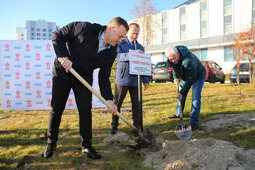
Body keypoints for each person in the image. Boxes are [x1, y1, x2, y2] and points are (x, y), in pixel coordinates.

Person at [43, 17, 129, 159]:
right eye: (120, 36)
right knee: (56, 109)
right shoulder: (84, 28)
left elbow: (104, 77)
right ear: (111, 28)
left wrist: (109, 100)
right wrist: (63, 56)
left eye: (123, 38)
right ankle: (51, 143)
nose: (120, 40)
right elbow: (57, 35)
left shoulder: (111, 52)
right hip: (63, 73)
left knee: (85, 112)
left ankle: (87, 146)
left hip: (83, 78)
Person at [109, 23, 149, 135]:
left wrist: (145, 80)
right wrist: (132, 54)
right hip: (122, 79)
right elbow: (118, 56)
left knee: (137, 105)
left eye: (137, 34)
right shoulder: (120, 43)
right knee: (117, 104)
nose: (135, 36)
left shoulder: (141, 47)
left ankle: (137, 127)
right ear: (128, 32)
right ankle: (114, 126)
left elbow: (144, 64)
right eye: (133, 33)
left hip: (136, 80)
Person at [165, 46, 206, 131]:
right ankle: (178, 113)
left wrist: (182, 92)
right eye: (170, 59)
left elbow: (191, 79)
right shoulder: (172, 59)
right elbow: (174, 67)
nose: (173, 61)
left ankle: (194, 122)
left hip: (198, 75)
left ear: (178, 54)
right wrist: (176, 77)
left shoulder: (188, 60)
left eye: (174, 58)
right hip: (184, 76)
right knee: (180, 95)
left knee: (195, 96)